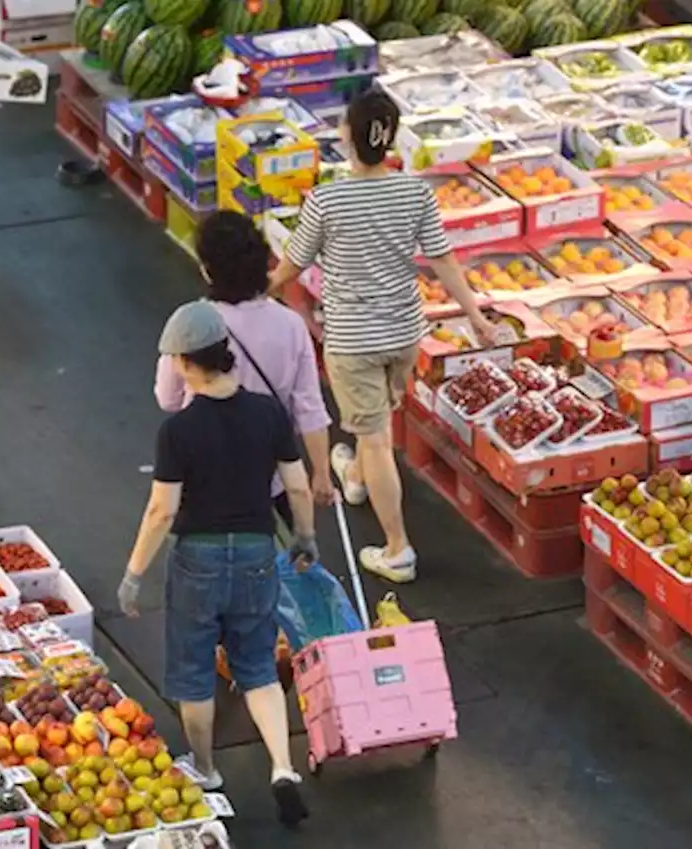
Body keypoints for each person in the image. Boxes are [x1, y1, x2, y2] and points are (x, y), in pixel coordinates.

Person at [269, 89, 496, 584]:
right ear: (391, 138)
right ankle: (356, 478)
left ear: (347, 135)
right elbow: (442, 259)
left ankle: (397, 548)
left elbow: (294, 262)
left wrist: (251, 291)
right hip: (403, 333)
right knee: (378, 417)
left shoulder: (327, 200)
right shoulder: (414, 192)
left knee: (373, 437)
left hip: (353, 339)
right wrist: (474, 315)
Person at [119, 300, 311, 827]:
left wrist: (134, 575)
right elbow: (296, 483)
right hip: (256, 551)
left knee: (195, 668)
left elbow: (162, 510)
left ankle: (205, 767)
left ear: (184, 362)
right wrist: (306, 538)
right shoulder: (267, 413)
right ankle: (282, 767)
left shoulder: (178, 431)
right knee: (257, 666)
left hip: (197, 559)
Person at [155, 211, 334, 521]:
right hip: (271, 474)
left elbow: (168, 398)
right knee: (278, 561)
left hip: (204, 476)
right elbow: (309, 407)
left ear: (208, 270)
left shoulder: (191, 323)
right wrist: (321, 473)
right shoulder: (291, 325)